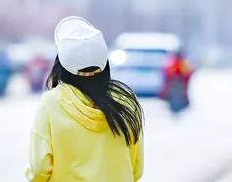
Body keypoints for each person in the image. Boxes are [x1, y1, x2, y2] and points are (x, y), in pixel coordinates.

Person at [26, 16, 144, 181]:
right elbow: (136, 170)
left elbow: (39, 169)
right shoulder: (125, 102)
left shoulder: (51, 103)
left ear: (62, 65)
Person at [161, 50, 194, 115]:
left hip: (178, 84)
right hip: (175, 85)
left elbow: (188, 73)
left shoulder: (180, 63)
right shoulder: (173, 62)